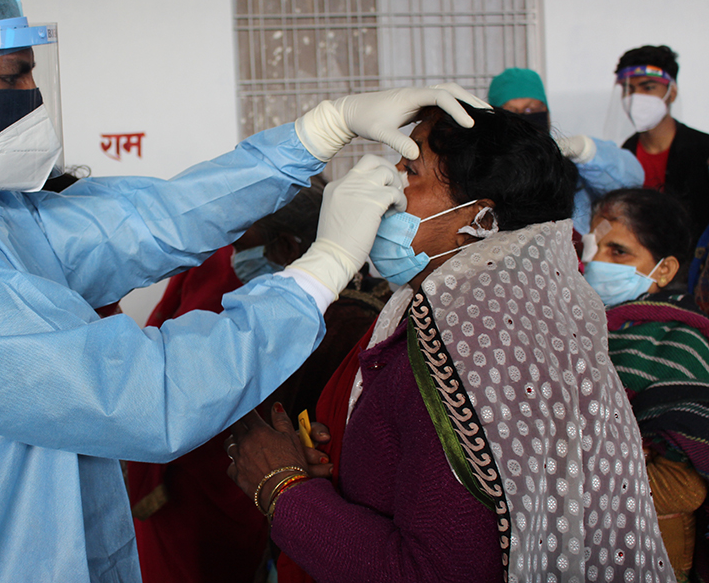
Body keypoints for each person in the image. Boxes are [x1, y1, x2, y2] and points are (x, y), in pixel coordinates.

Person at [0, 0, 487, 583]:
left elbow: (152, 220)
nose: (33, 100)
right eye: (15, 76)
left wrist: (323, 128)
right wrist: (321, 268)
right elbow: (144, 393)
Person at [226, 104, 675, 582]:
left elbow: (434, 570)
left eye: (410, 170)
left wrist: (283, 489)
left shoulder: (467, 355)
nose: (385, 185)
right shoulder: (496, 321)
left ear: (478, 218)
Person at [130, 180, 390, 583]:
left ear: (287, 247)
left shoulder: (344, 327)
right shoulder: (226, 270)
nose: (232, 254)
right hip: (233, 478)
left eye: (242, 244)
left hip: (290, 496)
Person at [582, 188, 709, 582]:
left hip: (644, 556)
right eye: (593, 246)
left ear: (665, 270)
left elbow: (684, 487)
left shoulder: (681, 343)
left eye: (618, 252)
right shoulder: (576, 324)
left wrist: (560, 482)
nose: (595, 262)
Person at [488, 67, 643, 233]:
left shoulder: (566, 162)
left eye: (532, 109)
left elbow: (631, 180)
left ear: (547, 113)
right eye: (511, 111)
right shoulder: (487, 170)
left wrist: (586, 151)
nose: (524, 117)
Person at [615, 45, 709, 252]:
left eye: (648, 88)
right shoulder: (624, 154)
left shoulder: (703, 151)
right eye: (629, 89)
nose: (636, 97)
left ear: (672, 93)